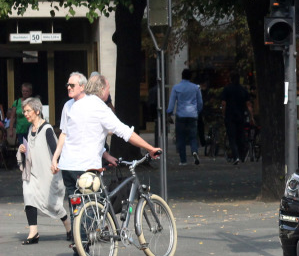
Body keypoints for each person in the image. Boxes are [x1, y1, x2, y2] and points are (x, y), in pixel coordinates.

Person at [52, 72, 161, 235]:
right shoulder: (99, 108)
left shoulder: (75, 105)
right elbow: (125, 132)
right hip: (85, 167)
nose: (109, 93)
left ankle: (79, 250)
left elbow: (81, 136)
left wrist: (105, 155)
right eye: (109, 89)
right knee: (91, 206)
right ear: (102, 89)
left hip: (68, 166)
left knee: (77, 208)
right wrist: (150, 148)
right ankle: (86, 248)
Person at [16, 97, 72, 245]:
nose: (25, 114)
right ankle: (33, 232)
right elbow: (30, 150)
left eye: (28, 111)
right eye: (24, 111)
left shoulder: (47, 129)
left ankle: (68, 226)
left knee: (53, 205)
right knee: (28, 194)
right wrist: (22, 149)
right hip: (33, 173)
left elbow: (55, 150)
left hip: (48, 174)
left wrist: (56, 164)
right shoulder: (30, 129)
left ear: (37, 111)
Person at [167, 68, 203, 166]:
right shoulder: (196, 88)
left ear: (182, 76)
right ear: (190, 77)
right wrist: (198, 111)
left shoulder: (176, 88)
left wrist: (169, 113)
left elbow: (172, 102)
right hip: (192, 114)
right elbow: (200, 102)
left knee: (181, 138)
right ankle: (194, 151)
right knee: (193, 136)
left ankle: (183, 160)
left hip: (181, 115)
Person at [220, 71, 252, 164]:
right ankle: (242, 155)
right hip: (241, 116)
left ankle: (236, 156)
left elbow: (223, 103)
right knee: (240, 136)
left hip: (230, 116)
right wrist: (251, 116)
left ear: (231, 79)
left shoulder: (227, 89)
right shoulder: (243, 90)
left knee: (232, 137)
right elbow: (248, 104)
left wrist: (223, 114)